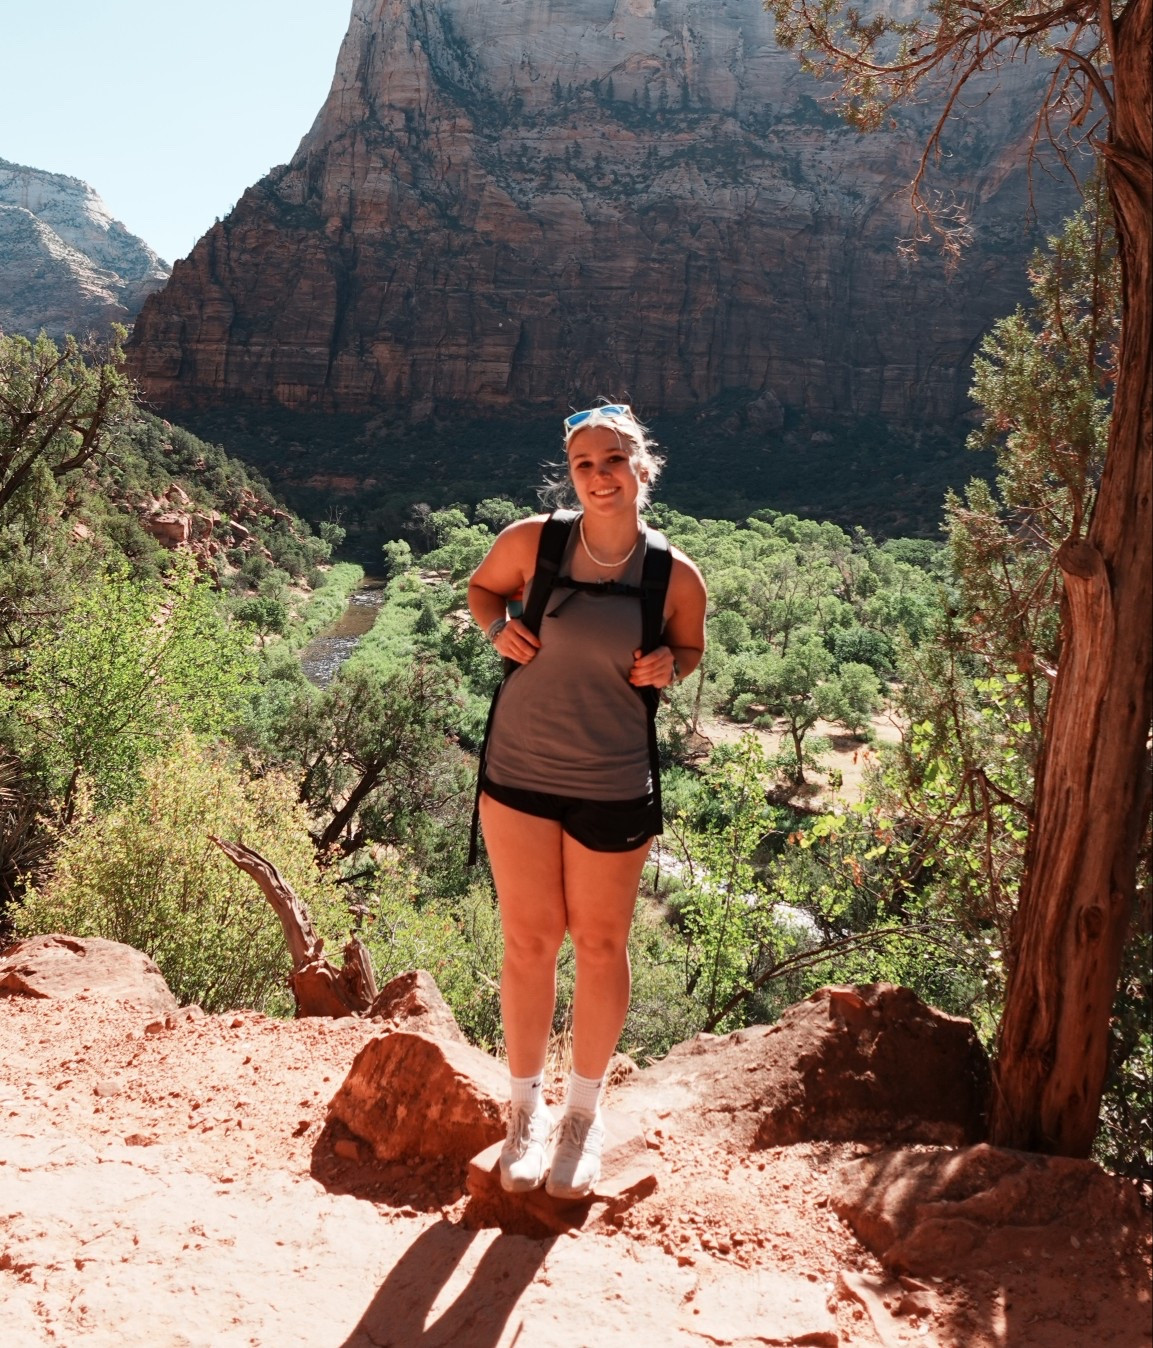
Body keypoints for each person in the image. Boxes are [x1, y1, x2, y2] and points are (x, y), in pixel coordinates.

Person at [467, 404, 707, 1199]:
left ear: (642, 467)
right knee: (528, 944)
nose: (599, 475)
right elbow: (482, 591)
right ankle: (525, 1112)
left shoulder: (674, 573)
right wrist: (495, 626)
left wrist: (672, 663)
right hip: (519, 773)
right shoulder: (532, 541)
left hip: (612, 781)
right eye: (583, 463)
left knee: (601, 946)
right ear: (569, 475)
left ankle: (582, 1115)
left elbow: (689, 646)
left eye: (612, 460)